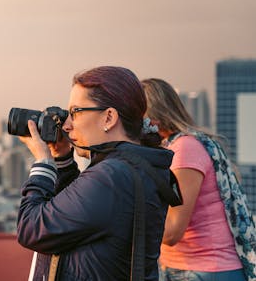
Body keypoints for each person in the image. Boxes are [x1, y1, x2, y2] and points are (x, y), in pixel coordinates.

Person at [17, 66, 176, 280]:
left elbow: (31, 228)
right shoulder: (132, 166)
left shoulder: (111, 176)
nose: (66, 126)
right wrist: (63, 158)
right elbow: (76, 215)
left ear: (109, 117)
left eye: (75, 113)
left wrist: (43, 163)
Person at [142, 78, 255, 281]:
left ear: (152, 118)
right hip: (187, 269)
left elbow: (172, 232)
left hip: (206, 271)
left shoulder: (185, 148)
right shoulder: (173, 147)